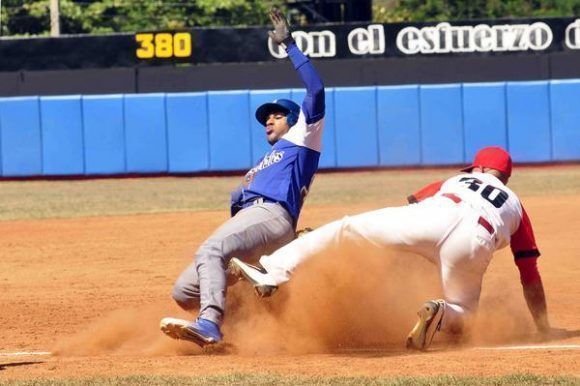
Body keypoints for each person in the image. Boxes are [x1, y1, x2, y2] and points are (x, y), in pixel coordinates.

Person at [229, 146, 551, 350]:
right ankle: (440, 312)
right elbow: (529, 272)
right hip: (476, 241)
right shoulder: (516, 207)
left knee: (348, 229)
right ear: (504, 178)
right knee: (465, 312)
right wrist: (542, 327)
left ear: (478, 169)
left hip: (434, 214)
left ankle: (273, 270)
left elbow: (408, 208)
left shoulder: (456, 181)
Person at [159, 9, 325, 348]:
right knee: (184, 290)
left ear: (294, 121)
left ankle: (209, 324)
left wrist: (290, 45)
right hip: (254, 222)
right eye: (266, 117)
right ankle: (243, 323)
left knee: (210, 249)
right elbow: (237, 203)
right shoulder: (264, 163)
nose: (269, 120)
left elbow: (317, 89)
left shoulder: (302, 138)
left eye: (277, 115)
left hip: (272, 217)